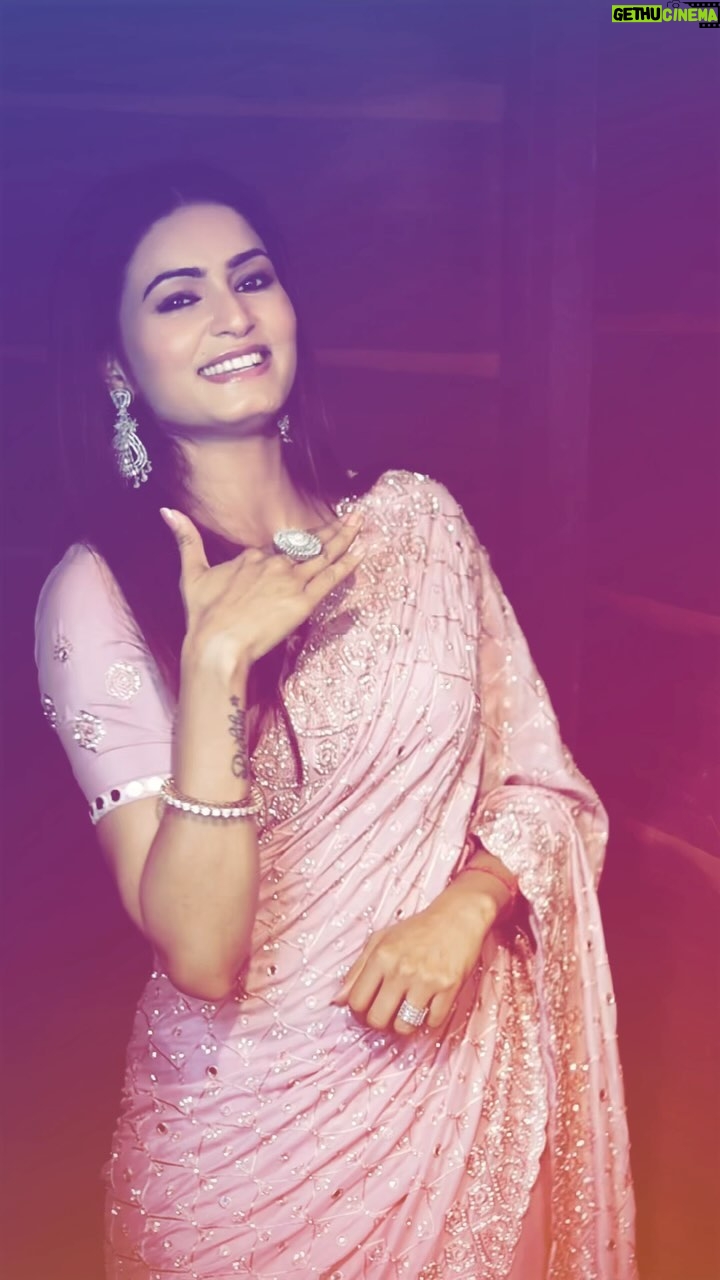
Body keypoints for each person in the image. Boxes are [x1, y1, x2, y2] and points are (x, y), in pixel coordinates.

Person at [34, 161, 637, 1280]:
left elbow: (541, 782)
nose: (232, 315)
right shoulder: (99, 591)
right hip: (242, 1156)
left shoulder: (418, 524)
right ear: (118, 364)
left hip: (458, 1093)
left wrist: (467, 906)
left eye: (252, 278)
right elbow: (202, 953)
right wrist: (216, 659)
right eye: (178, 296)